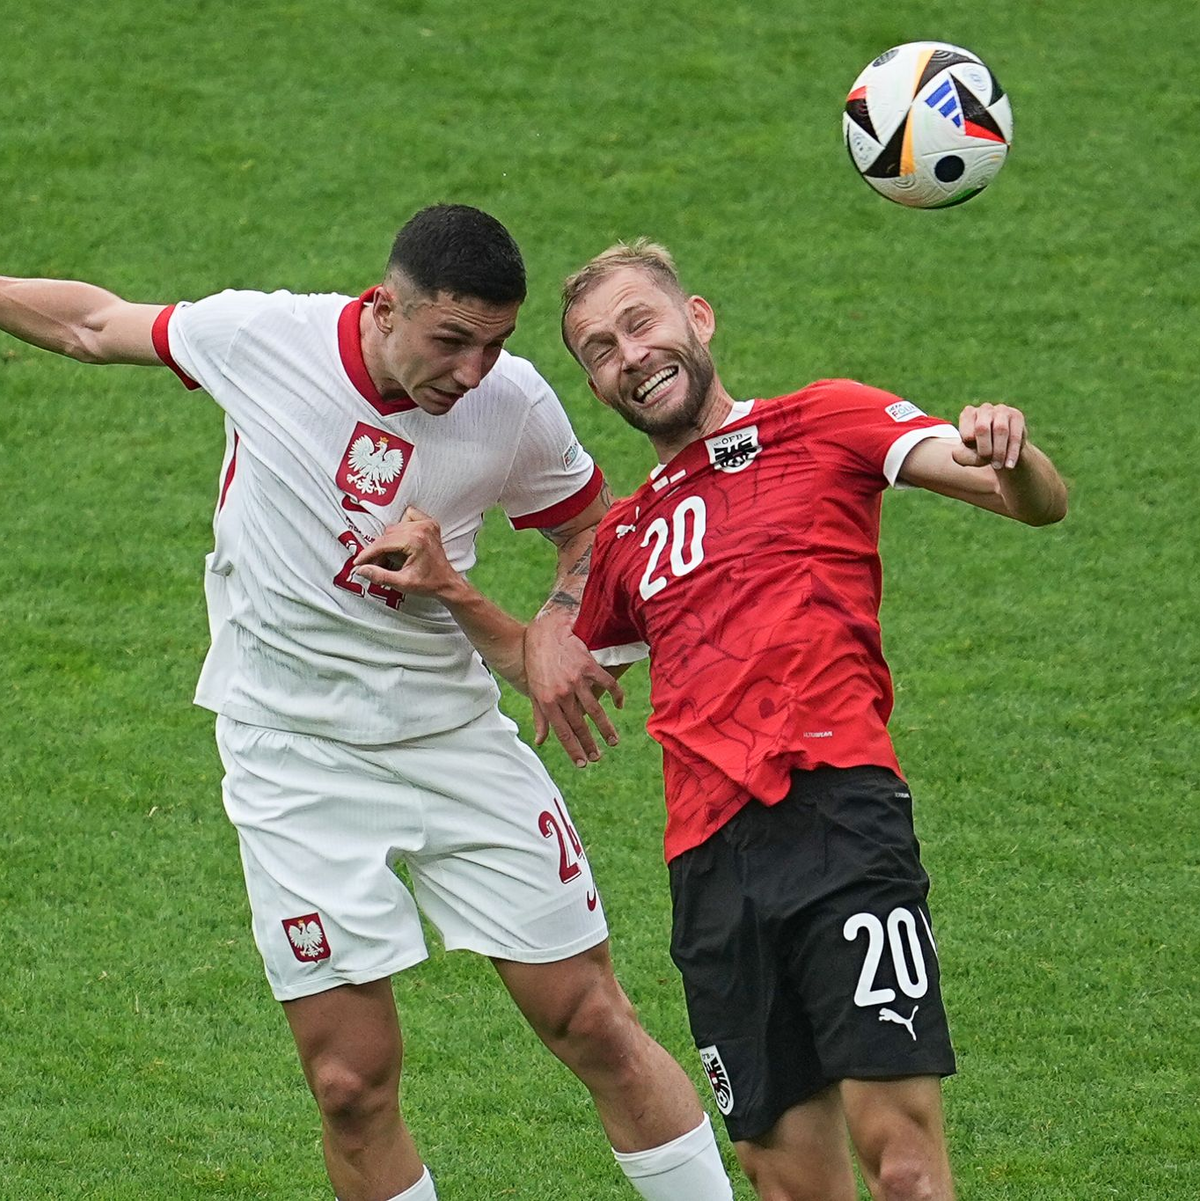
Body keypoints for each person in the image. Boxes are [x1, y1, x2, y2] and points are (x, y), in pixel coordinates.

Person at [0, 208, 734, 1201]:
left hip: (452, 738)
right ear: (385, 308)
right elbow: (95, 324)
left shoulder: (509, 404)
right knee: (349, 1084)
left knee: (593, 1021)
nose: (474, 370)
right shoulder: (262, 340)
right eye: (452, 340)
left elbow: (587, 531)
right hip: (292, 757)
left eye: (497, 343)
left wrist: (558, 627)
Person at [551, 239, 1067, 1201]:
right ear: (595, 384)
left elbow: (1031, 501)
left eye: (640, 322)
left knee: (904, 1165)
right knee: (786, 1182)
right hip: (708, 868)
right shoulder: (626, 538)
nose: (629, 354)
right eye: (599, 350)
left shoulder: (824, 420)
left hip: (840, 819)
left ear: (696, 318)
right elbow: (554, 665)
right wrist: (471, 596)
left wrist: (1015, 449)